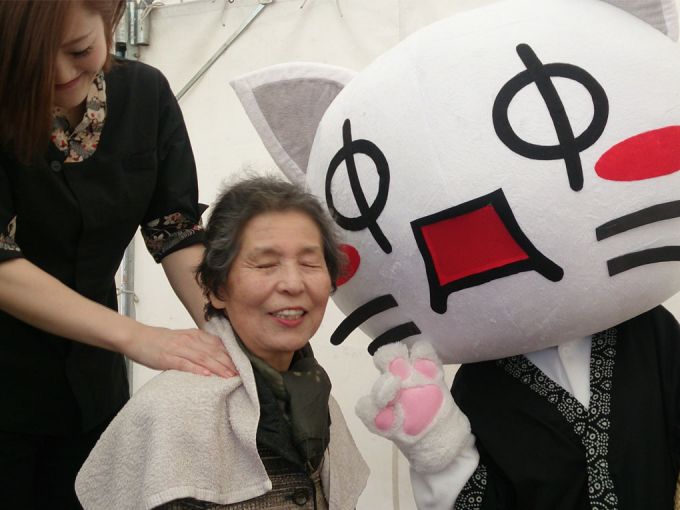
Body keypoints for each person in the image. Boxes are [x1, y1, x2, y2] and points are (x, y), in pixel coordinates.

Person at [0, 1, 236, 507]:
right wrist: (139, 337)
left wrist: (229, 334)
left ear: (110, 16)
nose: (60, 73)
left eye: (79, 50)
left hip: (91, 389)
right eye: (34, 58)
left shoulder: (145, 96)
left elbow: (176, 233)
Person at [75, 175, 369, 510]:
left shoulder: (318, 395)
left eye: (309, 263)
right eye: (266, 264)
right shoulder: (168, 412)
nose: (292, 283)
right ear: (217, 289)